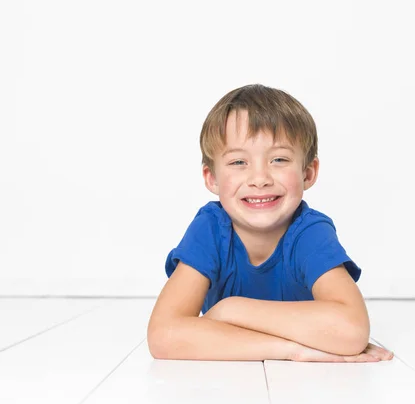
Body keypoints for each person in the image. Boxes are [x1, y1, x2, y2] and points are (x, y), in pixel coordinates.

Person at [147, 84, 394, 363]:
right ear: (212, 179)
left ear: (308, 173)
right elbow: (164, 336)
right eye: (239, 161)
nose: (260, 178)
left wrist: (231, 310)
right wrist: (292, 349)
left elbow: (352, 331)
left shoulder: (310, 232)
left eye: (279, 159)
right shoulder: (210, 229)